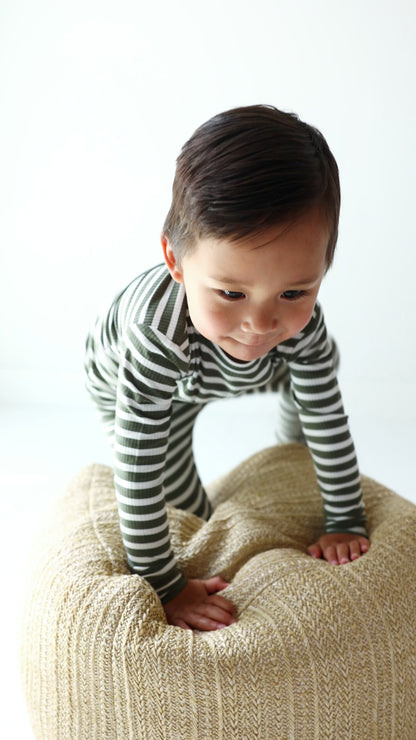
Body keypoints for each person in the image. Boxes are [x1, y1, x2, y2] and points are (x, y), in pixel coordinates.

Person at [85, 105, 369, 632]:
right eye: (231, 292)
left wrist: (344, 519)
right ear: (176, 261)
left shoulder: (294, 324)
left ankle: (283, 453)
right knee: (184, 506)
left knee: (314, 371)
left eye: (294, 290)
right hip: (153, 385)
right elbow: (137, 470)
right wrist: (165, 586)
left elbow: (327, 413)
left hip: (236, 368)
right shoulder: (156, 333)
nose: (260, 321)